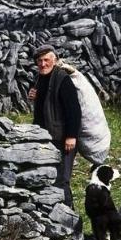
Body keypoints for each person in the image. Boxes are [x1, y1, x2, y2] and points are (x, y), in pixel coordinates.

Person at [28, 44, 82, 208]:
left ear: (55, 61)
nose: (42, 64)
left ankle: (69, 216)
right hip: (44, 137)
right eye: (39, 61)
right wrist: (33, 96)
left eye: (46, 60)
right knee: (48, 176)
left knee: (62, 179)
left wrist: (71, 136)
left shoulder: (62, 79)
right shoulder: (39, 78)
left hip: (63, 138)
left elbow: (74, 109)